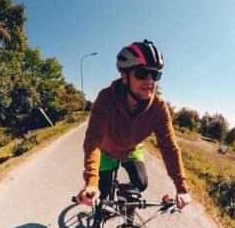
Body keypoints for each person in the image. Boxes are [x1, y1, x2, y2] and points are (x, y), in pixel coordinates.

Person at [76, 39, 192, 213]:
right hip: (106, 150)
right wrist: (91, 181)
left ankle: (123, 196)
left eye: (155, 75)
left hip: (131, 149)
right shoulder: (106, 98)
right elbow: (93, 139)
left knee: (141, 183)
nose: (149, 81)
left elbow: (169, 147)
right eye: (141, 73)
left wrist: (181, 187)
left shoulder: (159, 108)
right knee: (101, 197)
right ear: (124, 76)